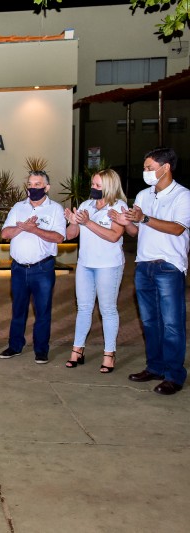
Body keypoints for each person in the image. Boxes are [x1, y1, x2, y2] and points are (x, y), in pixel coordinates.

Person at [110, 147, 190, 395]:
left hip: (168, 266)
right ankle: (154, 366)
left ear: (166, 168)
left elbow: (178, 229)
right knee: (149, 321)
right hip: (144, 265)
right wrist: (128, 224)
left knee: (172, 323)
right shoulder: (144, 195)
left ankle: (174, 375)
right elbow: (137, 232)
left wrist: (144, 219)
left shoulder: (183, 196)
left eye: (149, 168)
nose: (145, 172)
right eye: (144, 168)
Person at [0, 171, 65, 364]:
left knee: (42, 311)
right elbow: (5, 233)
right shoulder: (18, 207)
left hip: (42, 269)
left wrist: (34, 229)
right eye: (30, 184)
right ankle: (15, 346)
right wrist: (22, 227)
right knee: (18, 310)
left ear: (47, 187)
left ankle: (41, 350)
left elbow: (59, 237)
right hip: (18, 269)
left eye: (37, 184)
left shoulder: (55, 209)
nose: (33, 187)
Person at [64, 169, 127, 372]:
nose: (94, 188)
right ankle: (77, 350)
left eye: (98, 186)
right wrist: (74, 222)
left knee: (107, 309)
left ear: (109, 186)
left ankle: (109, 354)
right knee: (83, 308)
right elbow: (71, 235)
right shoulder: (86, 205)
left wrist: (88, 222)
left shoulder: (119, 206)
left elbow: (114, 236)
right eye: (93, 184)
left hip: (108, 265)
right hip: (85, 264)